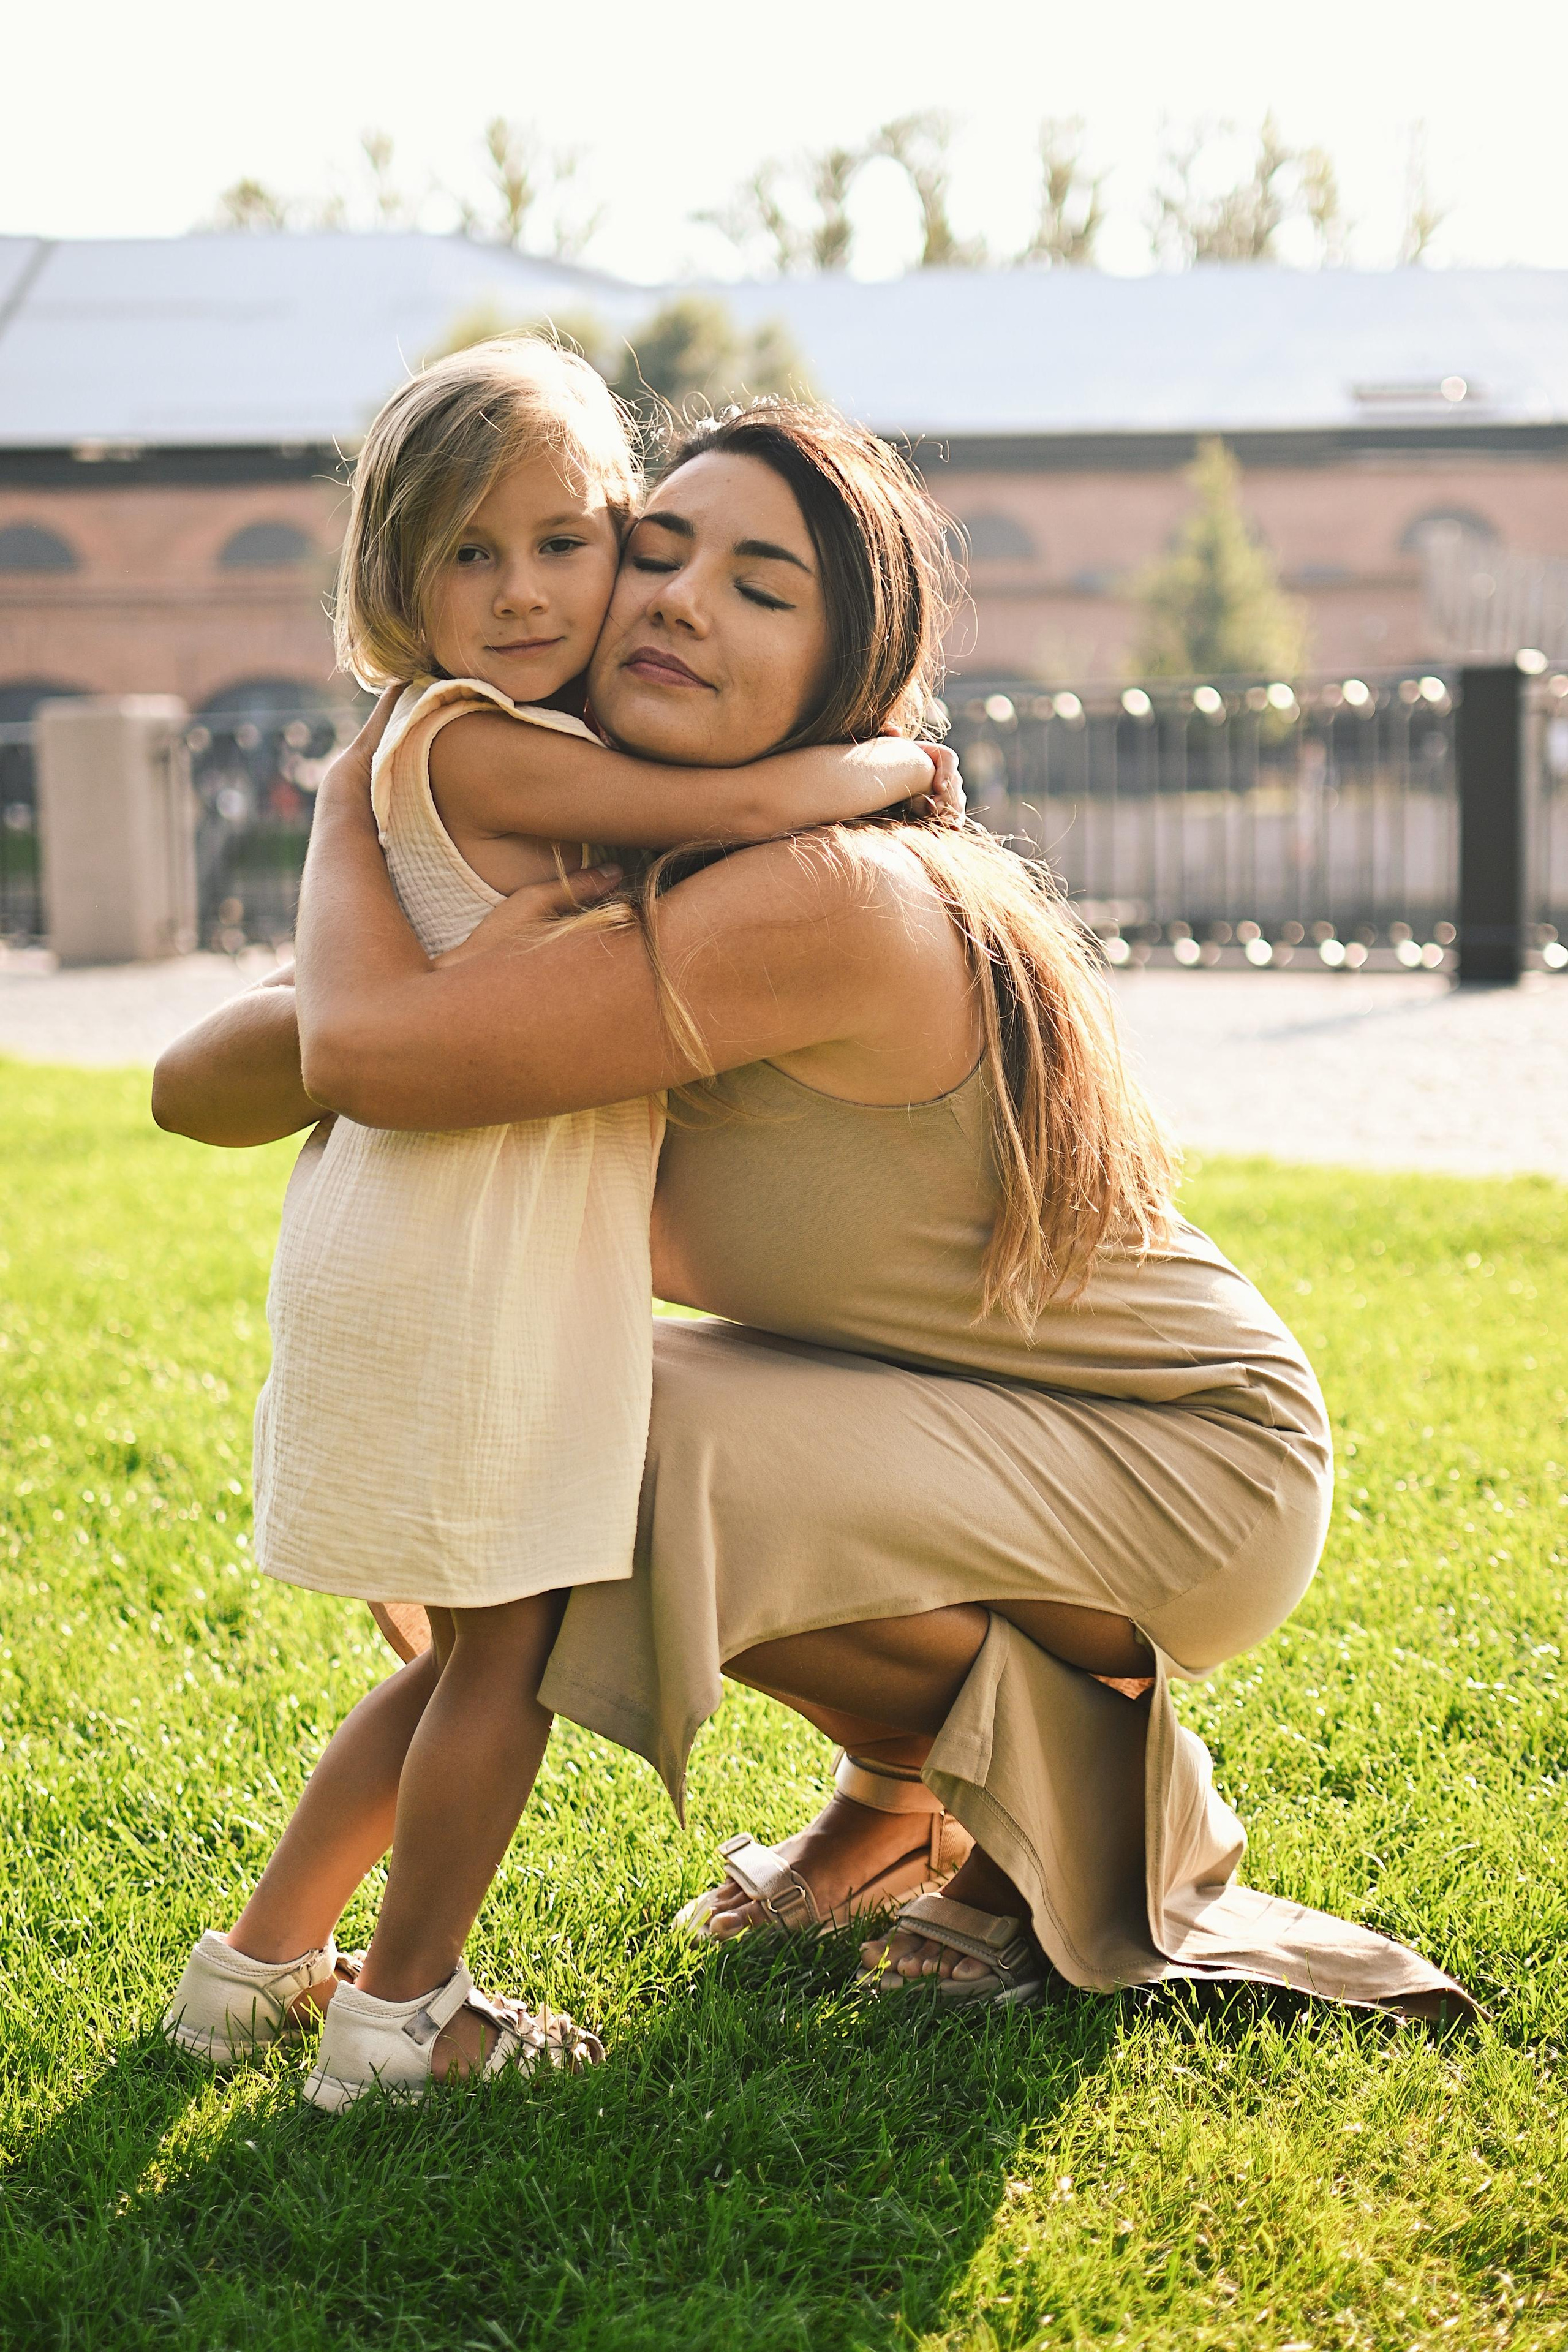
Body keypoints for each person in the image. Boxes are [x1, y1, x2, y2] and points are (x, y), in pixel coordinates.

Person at [155, 399, 1471, 2035]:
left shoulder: (820, 896)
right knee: (524, 1401)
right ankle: (903, 1800)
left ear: (844, 669)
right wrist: (416, 893)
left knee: (587, 1434)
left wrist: (367, 819)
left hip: (1181, 1455)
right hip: (976, 1414)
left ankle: (1047, 1812)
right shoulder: (596, 855)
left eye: (760, 586)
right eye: (653, 552)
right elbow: (195, 1087)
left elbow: (362, 1056)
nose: (680, 601)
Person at [158, 349, 959, 2111]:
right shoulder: (471, 743)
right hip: (470, 1247)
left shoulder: (469, 744)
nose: (524, 591)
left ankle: (255, 1970)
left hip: (426, 1228)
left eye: (568, 542)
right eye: (468, 557)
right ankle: (402, 2019)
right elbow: (741, 808)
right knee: (505, 1662)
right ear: (395, 581)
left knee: (474, 1648)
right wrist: (890, 762)